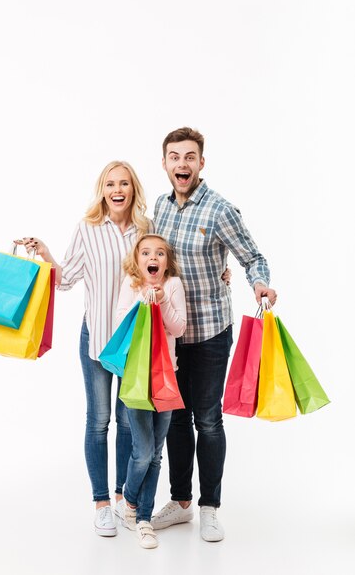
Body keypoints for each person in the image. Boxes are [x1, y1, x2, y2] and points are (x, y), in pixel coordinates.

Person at [151, 127, 277, 542]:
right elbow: (152, 258)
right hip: (171, 334)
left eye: (189, 157)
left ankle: (209, 507)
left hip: (208, 333)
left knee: (207, 420)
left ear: (201, 163)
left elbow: (252, 256)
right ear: (166, 163)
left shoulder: (221, 210)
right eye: (174, 157)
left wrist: (258, 283)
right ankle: (182, 501)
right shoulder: (161, 206)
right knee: (175, 420)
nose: (181, 164)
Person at [16, 161, 151, 537]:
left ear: (133, 189)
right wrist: (45, 254)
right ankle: (101, 503)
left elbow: (163, 268)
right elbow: (66, 279)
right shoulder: (88, 229)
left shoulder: (146, 230)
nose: (117, 189)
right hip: (96, 337)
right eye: (111, 184)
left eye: (124, 183)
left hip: (132, 343)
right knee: (99, 421)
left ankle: (124, 498)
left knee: (127, 422)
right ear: (103, 190)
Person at [115, 234, 187, 548]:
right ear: (138, 260)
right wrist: (142, 300)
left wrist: (163, 301)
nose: (152, 258)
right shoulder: (130, 286)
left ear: (166, 262)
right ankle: (129, 502)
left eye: (159, 253)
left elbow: (179, 328)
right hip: (137, 379)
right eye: (145, 253)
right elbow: (121, 325)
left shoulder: (172, 286)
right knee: (143, 451)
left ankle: (144, 519)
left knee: (156, 454)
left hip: (167, 378)